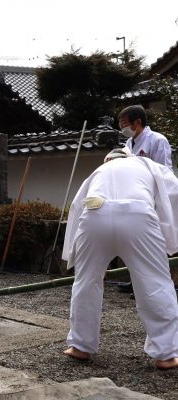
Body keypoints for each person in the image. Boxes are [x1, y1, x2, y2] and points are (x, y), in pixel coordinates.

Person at [62, 148, 178, 370]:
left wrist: (73, 253)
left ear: (109, 159)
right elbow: (173, 192)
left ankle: (80, 346)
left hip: (94, 212)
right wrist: (169, 237)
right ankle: (166, 354)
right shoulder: (146, 164)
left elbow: (77, 206)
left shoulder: (99, 170)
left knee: (86, 281)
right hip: (138, 214)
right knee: (155, 282)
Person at [118, 104, 173, 293]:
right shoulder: (128, 144)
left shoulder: (158, 140)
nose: (122, 128)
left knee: (155, 244)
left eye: (124, 124)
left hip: (154, 199)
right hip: (135, 199)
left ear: (138, 122)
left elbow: (164, 172)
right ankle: (136, 283)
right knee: (136, 243)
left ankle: (153, 287)